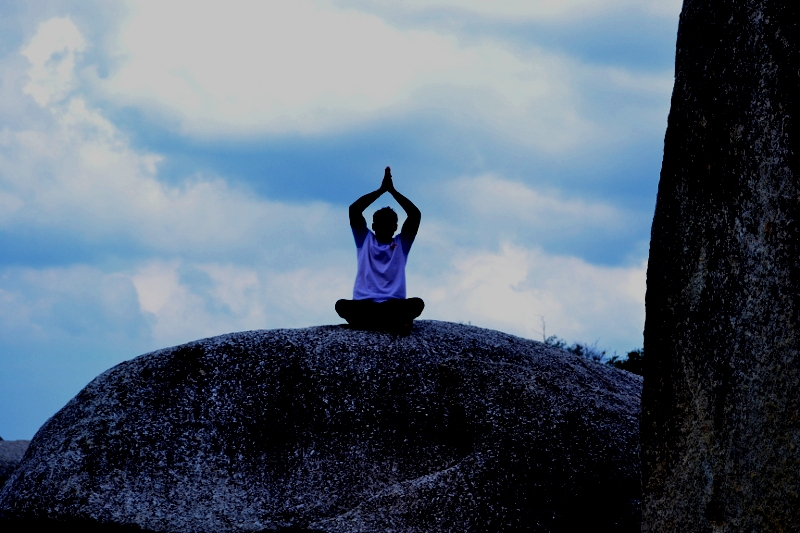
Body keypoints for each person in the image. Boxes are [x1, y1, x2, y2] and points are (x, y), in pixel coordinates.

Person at [336, 166, 424, 330]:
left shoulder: (402, 243)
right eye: (381, 223)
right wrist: (381, 190)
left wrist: (393, 191)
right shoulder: (364, 239)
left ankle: (372, 322)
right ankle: (391, 323)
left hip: (392, 304)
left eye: (389, 223)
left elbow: (415, 215)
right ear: (374, 226)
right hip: (365, 304)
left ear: (395, 227)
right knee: (341, 305)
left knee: (417, 304)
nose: (385, 226)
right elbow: (354, 209)